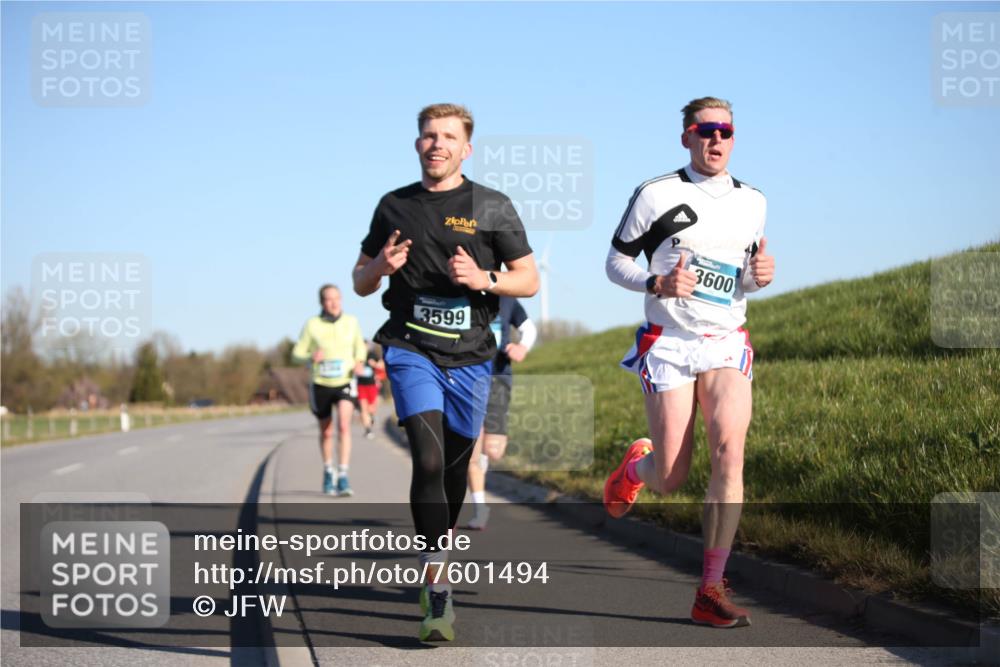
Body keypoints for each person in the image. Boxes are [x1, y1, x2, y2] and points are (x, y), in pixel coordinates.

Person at [353, 103, 538, 642]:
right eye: (429, 135)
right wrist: (379, 268)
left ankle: (440, 549)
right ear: (418, 144)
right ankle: (437, 587)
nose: (437, 144)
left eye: (449, 137)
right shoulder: (394, 205)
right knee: (428, 459)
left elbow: (528, 280)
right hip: (410, 347)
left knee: (455, 470)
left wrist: (484, 278)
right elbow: (360, 279)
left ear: (466, 148)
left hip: (472, 356)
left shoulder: (491, 205)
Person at [603, 97, 775, 629]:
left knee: (729, 452)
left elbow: (742, 276)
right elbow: (615, 262)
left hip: (724, 339)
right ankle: (635, 469)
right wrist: (657, 282)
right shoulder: (656, 194)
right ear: (687, 138)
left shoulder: (754, 201)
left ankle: (710, 589)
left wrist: (758, 278)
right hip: (670, 342)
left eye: (725, 130)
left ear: (734, 138)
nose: (716, 139)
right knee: (671, 476)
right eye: (705, 130)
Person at [465, 296, 537, 530]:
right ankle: (480, 508)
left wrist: (522, 347)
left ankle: (482, 459)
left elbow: (529, 328)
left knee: (493, 451)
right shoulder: (463, 294)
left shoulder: (507, 299)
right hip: (468, 378)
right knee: (472, 452)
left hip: (499, 377)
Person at [292, 284, 367, 496]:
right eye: (328, 299)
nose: (334, 303)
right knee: (326, 431)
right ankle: (328, 471)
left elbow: (359, 347)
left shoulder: (351, 322)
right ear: (322, 302)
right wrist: (310, 356)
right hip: (321, 383)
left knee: (344, 426)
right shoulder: (312, 325)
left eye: (337, 298)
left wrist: (359, 361)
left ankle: (343, 475)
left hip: (345, 381)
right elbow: (296, 354)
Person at [356, 341, 385, 439]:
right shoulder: (357, 357)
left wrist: (374, 364)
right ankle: (368, 429)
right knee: (363, 409)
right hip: (360, 385)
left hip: (372, 385)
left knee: (371, 409)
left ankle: (371, 416)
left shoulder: (372, 355)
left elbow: (382, 366)